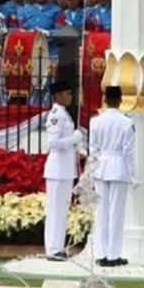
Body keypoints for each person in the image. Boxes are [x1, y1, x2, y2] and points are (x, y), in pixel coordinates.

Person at [90, 86, 135, 267]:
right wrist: (132, 174)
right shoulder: (126, 122)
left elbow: (93, 150)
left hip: (101, 167)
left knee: (102, 213)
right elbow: (128, 151)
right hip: (118, 167)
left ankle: (101, 253)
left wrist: (93, 171)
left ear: (105, 100)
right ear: (121, 100)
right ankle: (113, 255)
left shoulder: (95, 122)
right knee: (116, 213)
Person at [43, 80, 85, 261]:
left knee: (61, 209)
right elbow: (52, 143)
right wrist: (73, 140)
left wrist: (78, 147)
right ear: (58, 96)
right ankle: (52, 249)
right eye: (66, 94)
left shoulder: (63, 113)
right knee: (55, 209)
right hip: (57, 170)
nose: (70, 97)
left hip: (65, 169)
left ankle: (58, 247)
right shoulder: (56, 115)